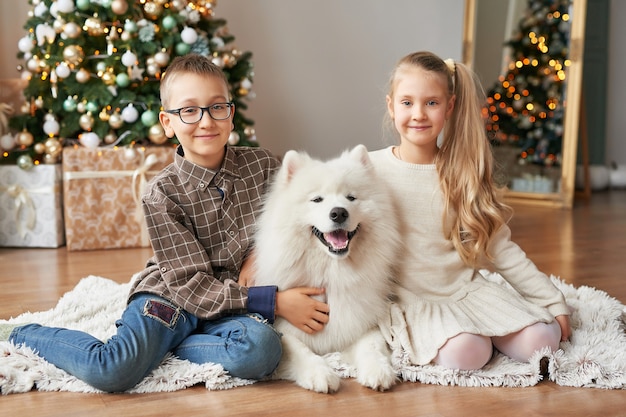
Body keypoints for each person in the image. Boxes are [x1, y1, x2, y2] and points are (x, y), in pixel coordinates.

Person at [0, 54, 329, 392]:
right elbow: (190, 285)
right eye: (189, 110)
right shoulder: (161, 194)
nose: (206, 121)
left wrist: (256, 253)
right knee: (113, 370)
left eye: (217, 107)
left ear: (231, 114)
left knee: (262, 350)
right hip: (173, 298)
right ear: (167, 122)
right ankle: (22, 332)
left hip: (230, 306)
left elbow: (290, 215)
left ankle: (170, 348)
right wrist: (273, 301)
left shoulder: (262, 166)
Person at [369, 51, 571, 370]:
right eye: (407, 102)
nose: (418, 114)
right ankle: (477, 340)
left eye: (431, 103)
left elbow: (500, 247)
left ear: (449, 107)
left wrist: (551, 299)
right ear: (391, 105)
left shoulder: (462, 170)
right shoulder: (369, 168)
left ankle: (490, 332)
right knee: (468, 353)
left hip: (464, 291)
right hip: (413, 300)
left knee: (544, 339)